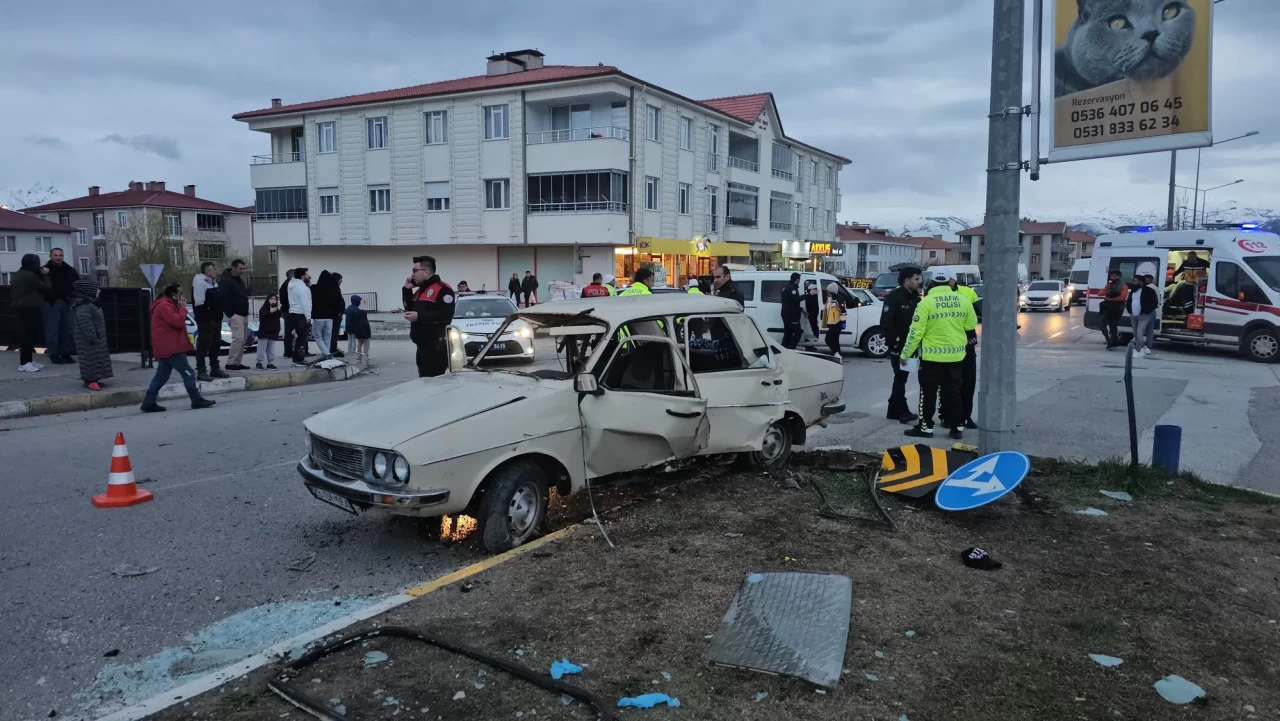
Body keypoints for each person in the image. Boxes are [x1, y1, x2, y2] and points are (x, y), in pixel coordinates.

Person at [900, 270, 976, 440]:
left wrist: (905, 353)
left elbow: (915, 332)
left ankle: (925, 428)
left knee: (928, 393)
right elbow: (970, 324)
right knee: (954, 392)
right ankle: (956, 427)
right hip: (956, 356)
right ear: (950, 282)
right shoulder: (963, 300)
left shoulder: (926, 303)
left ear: (932, 283)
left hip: (932, 358)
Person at [140, 283, 216, 413]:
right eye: (180, 294)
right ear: (173, 295)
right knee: (188, 372)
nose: (183, 296)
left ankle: (149, 401)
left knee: (161, 375)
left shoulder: (167, 305)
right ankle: (196, 399)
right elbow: (178, 322)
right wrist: (182, 308)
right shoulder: (165, 306)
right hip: (171, 347)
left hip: (168, 345)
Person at [880, 267, 921, 424]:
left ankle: (894, 410)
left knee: (902, 378)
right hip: (899, 345)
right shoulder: (895, 297)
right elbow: (886, 322)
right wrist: (895, 343)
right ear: (907, 280)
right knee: (900, 377)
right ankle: (900, 410)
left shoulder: (915, 298)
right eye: (916, 279)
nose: (919, 282)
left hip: (910, 345)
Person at [403, 255, 456, 377]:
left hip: (436, 348)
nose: (412, 274)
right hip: (422, 348)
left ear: (426, 272)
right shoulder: (419, 291)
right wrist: (406, 289)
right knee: (424, 382)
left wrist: (420, 317)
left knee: (434, 385)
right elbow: (409, 309)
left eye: (415, 271)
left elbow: (446, 316)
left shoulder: (443, 289)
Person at [11, 253, 51, 372]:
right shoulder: (29, 276)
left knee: (29, 336)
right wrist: (45, 275)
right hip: (28, 308)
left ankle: (28, 361)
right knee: (29, 336)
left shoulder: (19, 274)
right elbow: (46, 287)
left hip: (23, 307)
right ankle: (24, 363)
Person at [70, 279, 112, 391]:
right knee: (89, 358)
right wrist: (92, 336)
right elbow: (85, 322)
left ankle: (94, 378)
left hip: (95, 336)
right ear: (89, 291)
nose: (99, 290)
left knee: (96, 357)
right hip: (88, 338)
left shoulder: (91, 303)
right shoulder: (84, 305)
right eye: (96, 289)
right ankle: (90, 380)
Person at [42, 247, 80, 364]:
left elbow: (77, 284)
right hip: (52, 302)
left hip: (68, 301)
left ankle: (65, 353)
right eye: (55, 255)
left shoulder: (69, 270)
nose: (58, 258)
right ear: (51, 256)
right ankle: (54, 354)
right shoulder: (45, 271)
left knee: (67, 329)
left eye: (60, 255)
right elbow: (42, 286)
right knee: (53, 329)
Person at [953, 278, 981, 430]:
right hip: (950, 346)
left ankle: (966, 416)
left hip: (968, 343)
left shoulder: (968, 291)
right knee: (951, 385)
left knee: (968, 383)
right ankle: (949, 417)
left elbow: (977, 312)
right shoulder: (934, 292)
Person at [192, 261, 226, 382]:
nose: (216, 271)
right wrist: (208, 318)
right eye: (214, 269)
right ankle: (201, 370)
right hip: (206, 320)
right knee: (204, 345)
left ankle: (215, 368)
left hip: (216, 319)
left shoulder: (213, 283)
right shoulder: (200, 284)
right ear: (207, 271)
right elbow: (200, 304)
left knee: (215, 344)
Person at [218, 259, 250, 370]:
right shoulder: (225, 280)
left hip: (243, 313)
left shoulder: (238, 280)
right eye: (240, 269)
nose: (242, 271)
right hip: (235, 314)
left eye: (243, 268)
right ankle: (231, 362)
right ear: (234, 268)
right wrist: (231, 314)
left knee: (243, 339)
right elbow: (222, 298)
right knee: (239, 338)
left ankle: (237, 362)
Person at [309, 270, 342, 359]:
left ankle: (327, 354)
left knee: (317, 336)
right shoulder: (334, 289)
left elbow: (310, 301)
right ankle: (326, 353)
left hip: (318, 317)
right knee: (328, 337)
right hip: (330, 318)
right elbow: (338, 302)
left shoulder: (314, 288)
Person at [1128, 273, 1159, 357]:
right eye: (1133, 281)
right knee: (1135, 334)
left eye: (1135, 281)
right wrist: (1130, 311)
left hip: (1144, 315)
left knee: (1140, 333)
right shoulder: (1133, 291)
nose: (1134, 283)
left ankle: (1138, 351)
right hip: (1133, 315)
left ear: (1141, 282)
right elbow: (1129, 301)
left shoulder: (1149, 291)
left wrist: (1146, 311)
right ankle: (1144, 347)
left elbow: (1154, 302)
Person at [287, 267, 313, 365]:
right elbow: (305, 303)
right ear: (302, 276)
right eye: (306, 275)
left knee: (297, 337)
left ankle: (295, 358)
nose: (308, 277)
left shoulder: (291, 285)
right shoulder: (303, 288)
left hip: (292, 313)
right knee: (303, 338)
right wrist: (308, 317)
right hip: (301, 314)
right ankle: (299, 359)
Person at [1099, 269, 1128, 349]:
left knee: (1113, 325)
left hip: (1117, 308)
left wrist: (1111, 299)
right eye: (1111, 276)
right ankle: (1110, 341)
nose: (1112, 278)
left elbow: (1122, 297)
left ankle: (1113, 342)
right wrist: (1107, 290)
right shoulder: (1109, 285)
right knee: (1102, 324)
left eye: (1114, 276)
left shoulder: (1123, 286)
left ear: (1119, 276)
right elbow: (1100, 293)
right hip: (1108, 307)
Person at [256, 294, 281, 370]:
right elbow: (263, 317)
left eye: (275, 299)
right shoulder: (264, 309)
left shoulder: (277, 311)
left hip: (273, 332)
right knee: (262, 348)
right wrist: (270, 312)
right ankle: (259, 362)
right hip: (264, 332)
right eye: (271, 299)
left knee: (271, 349)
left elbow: (278, 320)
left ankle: (270, 363)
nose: (273, 301)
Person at [780, 272, 803, 349]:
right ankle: (791, 348)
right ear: (796, 279)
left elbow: (790, 302)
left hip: (786, 313)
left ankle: (784, 348)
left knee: (788, 333)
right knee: (798, 333)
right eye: (799, 279)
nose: (799, 281)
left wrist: (801, 309)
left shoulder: (786, 287)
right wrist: (809, 294)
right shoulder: (792, 288)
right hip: (791, 315)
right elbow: (796, 300)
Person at [346, 294, 371, 361]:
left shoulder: (349, 308)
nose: (360, 302)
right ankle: (352, 353)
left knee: (350, 341)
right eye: (360, 301)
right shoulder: (356, 310)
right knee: (354, 341)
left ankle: (349, 353)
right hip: (354, 328)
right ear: (357, 301)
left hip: (348, 327)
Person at [823, 282, 845, 357]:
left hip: (837, 323)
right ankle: (838, 354)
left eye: (828, 291)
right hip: (833, 323)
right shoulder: (831, 298)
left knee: (828, 339)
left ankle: (836, 353)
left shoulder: (838, 299)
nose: (826, 292)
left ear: (831, 291)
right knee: (835, 340)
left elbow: (843, 311)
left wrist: (843, 322)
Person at [279, 269, 295, 360]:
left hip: (287, 310)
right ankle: (288, 352)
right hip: (289, 311)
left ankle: (289, 351)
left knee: (289, 332)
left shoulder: (286, 284)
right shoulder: (288, 285)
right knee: (289, 332)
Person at [803, 280, 821, 347]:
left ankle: (812, 342)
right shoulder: (811, 296)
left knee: (813, 327)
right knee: (813, 327)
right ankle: (813, 341)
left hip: (812, 314)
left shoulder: (812, 296)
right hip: (812, 314)